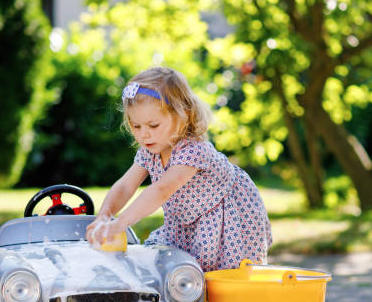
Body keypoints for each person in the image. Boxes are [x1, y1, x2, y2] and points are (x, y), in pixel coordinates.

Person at [86, 66, 272, 272]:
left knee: (224, 277)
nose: (144, 135)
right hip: (187, 222)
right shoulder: (150, 152)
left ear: (181, 116)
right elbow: (124, 186)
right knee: (173, 272)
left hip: (226, 218)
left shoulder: (193, 151)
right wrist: (105, 214)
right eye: (136, 126)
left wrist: (120, 223)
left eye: (153, 125)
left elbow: (161, 190)